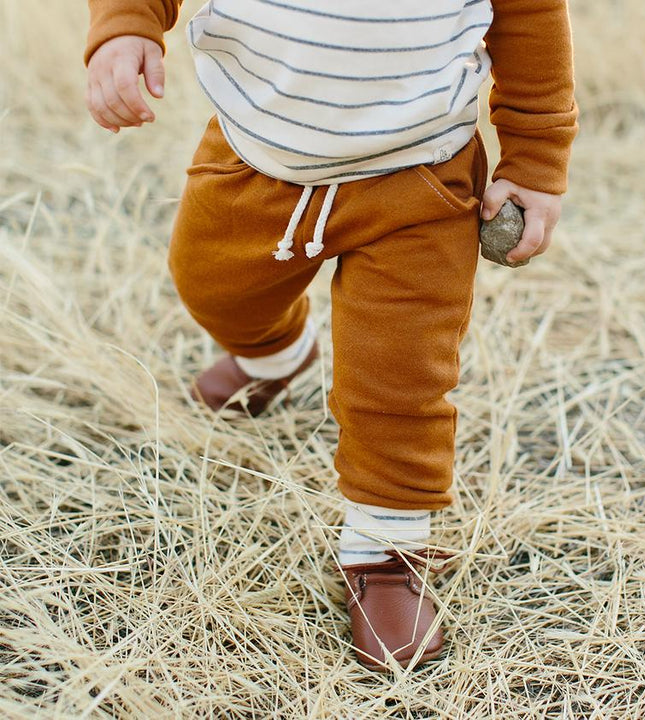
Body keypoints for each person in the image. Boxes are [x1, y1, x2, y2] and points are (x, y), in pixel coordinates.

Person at [84, 0, 578, 672]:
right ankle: (275, 354)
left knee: (401, 370)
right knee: (212, 284)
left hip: (420, 173)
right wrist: (127, 26)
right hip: (257, 150)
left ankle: (386, 546)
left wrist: (537, 155)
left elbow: (531, 17)